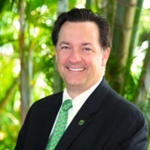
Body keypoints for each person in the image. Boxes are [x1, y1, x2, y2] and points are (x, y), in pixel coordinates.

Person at [15, 8, 148, 150]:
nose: (74, 58)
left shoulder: (127, 120)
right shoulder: (38, 111)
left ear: (104, 56)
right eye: (66, 47)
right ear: (56, 52)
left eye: (86, 49)